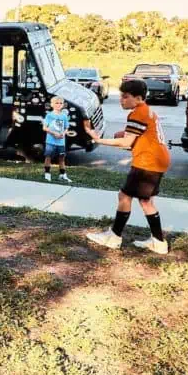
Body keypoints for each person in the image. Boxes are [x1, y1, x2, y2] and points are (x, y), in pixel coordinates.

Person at [85, 79, 171, 255]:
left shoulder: (137, 114)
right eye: (121, 96)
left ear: (138, 98)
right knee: (146, 201)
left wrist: (98, 139)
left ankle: (114, 237)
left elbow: (126, 142)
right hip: (158, 159)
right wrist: (124, 135)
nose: (121, 100)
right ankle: (158, 242)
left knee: (124, 196)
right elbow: (142, 136)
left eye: (125, 97)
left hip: (147, 161)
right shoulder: (147, 110)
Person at [42, 96, 72, 183]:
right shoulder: (49, 115)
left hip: (61, 142)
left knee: (62, 158)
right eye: (56, 103)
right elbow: (44, 128)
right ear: (52, 104)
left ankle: (62, 175)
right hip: (50, 141)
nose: (59, 105)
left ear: (63, 105)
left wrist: (64, 133)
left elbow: (66, 127)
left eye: (60, 103)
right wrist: (53, 133)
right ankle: (47, 174)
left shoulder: (64, 116)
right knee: (48, 157)